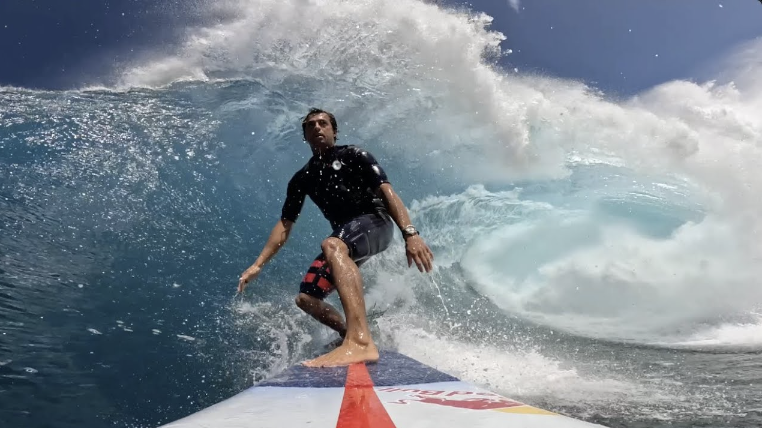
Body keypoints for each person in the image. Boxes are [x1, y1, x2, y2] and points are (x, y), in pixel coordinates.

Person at [237, 108, 434, 367]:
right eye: (310, 125)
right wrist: (257, 264)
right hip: (348, 236)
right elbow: (285, 224)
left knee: (332, 244)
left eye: (323, 123)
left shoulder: (355, 155)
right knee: (306, 298)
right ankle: (346, 335)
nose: (317, 127)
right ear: (305, 135)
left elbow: (387, 192)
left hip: (376, 222)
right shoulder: (302, 178)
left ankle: (360, 341)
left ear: (334, 130)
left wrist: (410, 234)